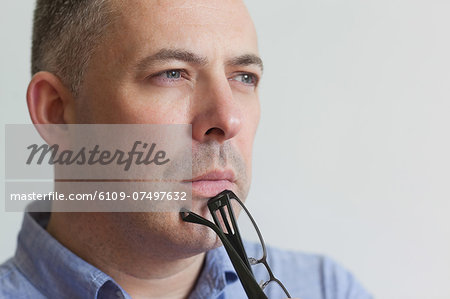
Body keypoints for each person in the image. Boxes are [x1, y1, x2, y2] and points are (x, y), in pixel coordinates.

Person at [0, 0, 372, 298]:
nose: (228, 120)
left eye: (244, 77)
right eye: (172, 73)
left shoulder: (326, 289)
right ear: (56, 113)